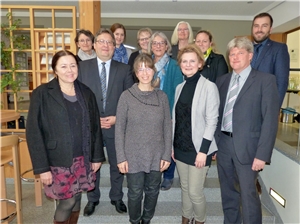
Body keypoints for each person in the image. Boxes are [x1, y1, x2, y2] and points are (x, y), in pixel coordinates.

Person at [26, 50, 105, 224]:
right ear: (55, 70)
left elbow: (95, 128)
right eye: (63, 66)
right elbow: (33, 132)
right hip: (57, 160)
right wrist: (42, 168)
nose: (69, 70)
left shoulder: (86, 92)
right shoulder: (42, 93)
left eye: (73, 65)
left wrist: (97, 156)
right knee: (67, 201)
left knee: (77, 198)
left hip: (82, 158)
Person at [215, 37, 279, 224]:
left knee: (248, 196)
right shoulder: (222, 81)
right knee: (228, 194)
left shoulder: (265, 80)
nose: (234, 57)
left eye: (240, 53)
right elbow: (218, 115)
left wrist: (262, 155)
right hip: (224, 145)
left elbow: (269, 120)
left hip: (249, 149)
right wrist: (215, 144)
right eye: (232, 54)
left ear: (250, 56)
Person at [78, 28, 134, 216]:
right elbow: (78, 98)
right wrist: (94, 119)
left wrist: (118, 118)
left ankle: (116, 197)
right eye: (101, 41)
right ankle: (92, 199)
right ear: (94, 45)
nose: (106, 45)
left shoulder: (124, 69)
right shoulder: (82, 68)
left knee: (118, 164)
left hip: (116, 125)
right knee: (92, 164)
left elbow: (130, 98)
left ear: (114, 46)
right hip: (91, 126)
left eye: (109, 42)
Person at [115, 53, 172, 224]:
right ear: (135, 73)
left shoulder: (161, 97)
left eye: (148, 68)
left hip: (156, 153)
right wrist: (121, 157)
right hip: (133, 155)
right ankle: (134, 221)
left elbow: (167, 127)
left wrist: (166, 155)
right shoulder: (126, 96)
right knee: (134, 192)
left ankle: (146, 220)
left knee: (153, 190)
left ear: (153, 71)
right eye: (140, 69)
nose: (145, 72)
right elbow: (119, 129)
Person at [172, 44, 219, 224]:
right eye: (184, 61)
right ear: (180, 64)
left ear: (200, 63)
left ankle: (200, 220)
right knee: (184, 188)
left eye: (192, 61)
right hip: (181, 147)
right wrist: (172, 147)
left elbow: (212, 121)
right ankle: (186, 218)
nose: (188, 64)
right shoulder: (179, 88)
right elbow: (176, 120)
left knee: (194, 192)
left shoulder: (209, 87)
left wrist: (203, 151)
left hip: (200, 149)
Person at [148, 31, 183, 191]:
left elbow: (177, 91)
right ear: (151, 46)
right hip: (149, 112)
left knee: (168, 144)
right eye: (155, 43)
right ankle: (153, 174)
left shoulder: (174, 65)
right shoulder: (146, 64)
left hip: (167, 111)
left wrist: (171, 114)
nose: (158, 46)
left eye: (161, 43)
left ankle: (168, 176)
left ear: (167, 46)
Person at [251, 12, 290, 107]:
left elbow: (281, 82)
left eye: (264, 26)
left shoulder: (279, 48)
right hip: (244, 106)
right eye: (256, 26)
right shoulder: (244, 49)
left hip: (265, 105)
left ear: (270, 29)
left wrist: (274, 109)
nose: (259, 30)